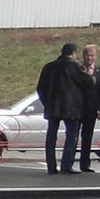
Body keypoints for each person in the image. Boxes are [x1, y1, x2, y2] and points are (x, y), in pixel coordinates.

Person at [36, 44, 86, 173]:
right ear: (73, 53)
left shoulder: (49, 67)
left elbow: (40, 88)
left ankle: (51, 166)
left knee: (51, 136)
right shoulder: (74, 67)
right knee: (71, 136)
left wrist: (47, 103)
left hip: (53, 107)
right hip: (71, 107)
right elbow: (87, 83)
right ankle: (66, 165)